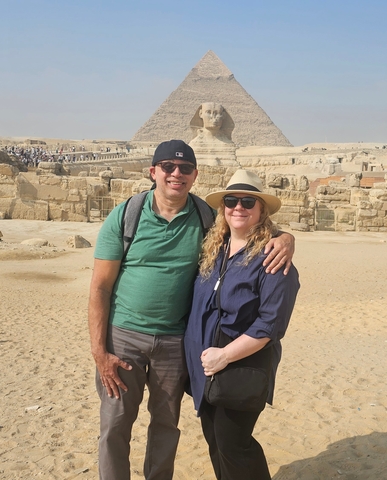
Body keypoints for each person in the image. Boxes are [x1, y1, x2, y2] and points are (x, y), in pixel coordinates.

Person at [88, 141, 295, 480]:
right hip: (124, 337)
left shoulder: (203, 215)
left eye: (185, 168)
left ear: (195, 174)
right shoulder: (127, 215)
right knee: (114, 424)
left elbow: (248, 225)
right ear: (152, 171)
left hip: (174, 342)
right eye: (168, 166)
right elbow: (99, 287)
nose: (176, 174)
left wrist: (286, 238)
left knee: (167, 424)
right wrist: (99, 351)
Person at [185, 170, 300, 479]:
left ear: (261, 210)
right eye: (231, 200)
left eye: (248, 201)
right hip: (204, 368)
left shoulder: (273, 258)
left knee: (235, 445)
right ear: (223, 207)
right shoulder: (214, 248)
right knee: (215, 441)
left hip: (240, 366)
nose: (239, 207)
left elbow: (270, 324)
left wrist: (224, 356)